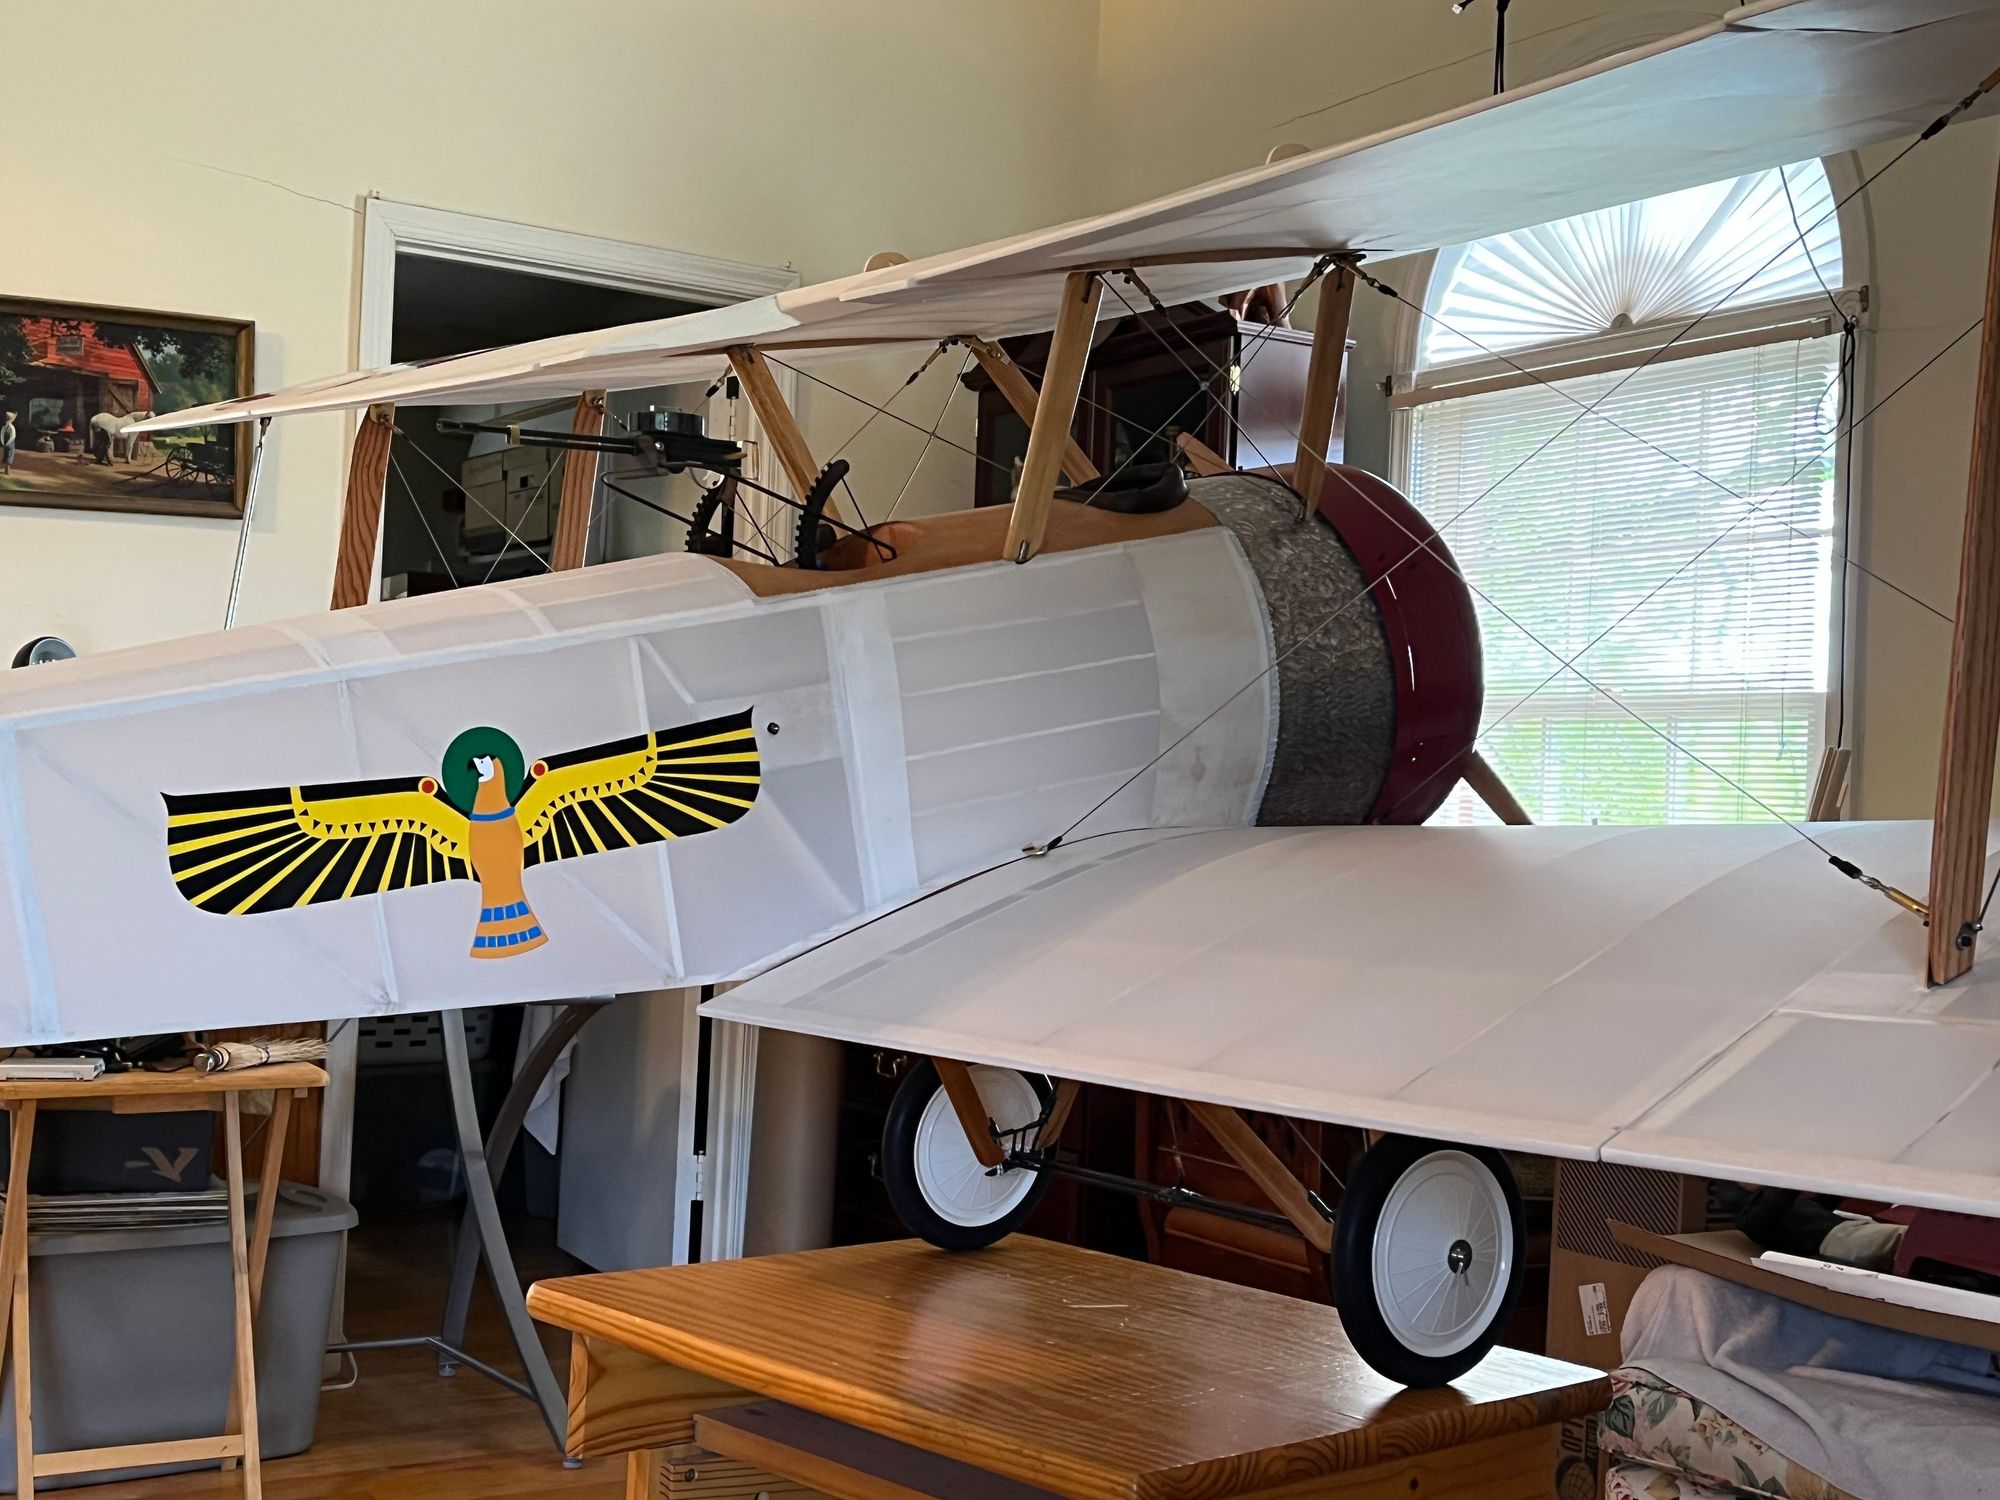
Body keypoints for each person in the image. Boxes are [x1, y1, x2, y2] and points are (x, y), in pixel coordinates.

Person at [0, 410, 16, 477]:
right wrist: (7, 443)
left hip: (6, 443)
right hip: (10, 444)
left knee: (7, 455)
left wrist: (3, 442)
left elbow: (1, 435)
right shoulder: (11, 427)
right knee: (9, 455)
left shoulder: (4, 427)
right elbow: (12, 437)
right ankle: (7, 470)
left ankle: (7, 469)